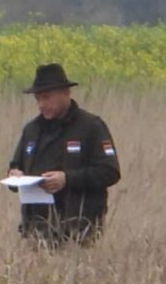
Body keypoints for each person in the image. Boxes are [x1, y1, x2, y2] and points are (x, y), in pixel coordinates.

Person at [9, 62, 118, 244]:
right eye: (37, 99)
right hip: (36, 231)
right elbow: (16, 165)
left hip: (79, 230)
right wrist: (15, 176)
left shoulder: (91, 126)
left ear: (66, 93)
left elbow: (109, 172)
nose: (41, 104)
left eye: (46, 97)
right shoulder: (32, 130)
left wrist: (67, 179)